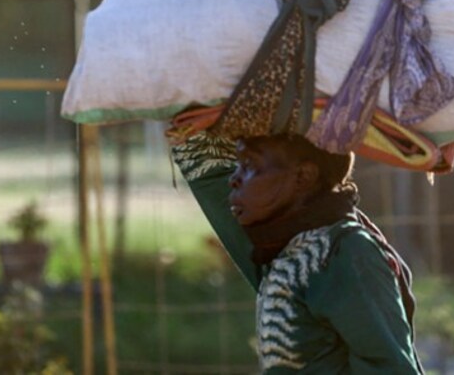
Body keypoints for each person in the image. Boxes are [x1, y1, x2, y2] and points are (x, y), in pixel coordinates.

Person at [170, 131, 422, 373]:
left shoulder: (346, 252)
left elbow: (389, 366)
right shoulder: (280, 248)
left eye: (249, 166)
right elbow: (209, 171)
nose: (233, 180)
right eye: (238, 165)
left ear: (304, 176)